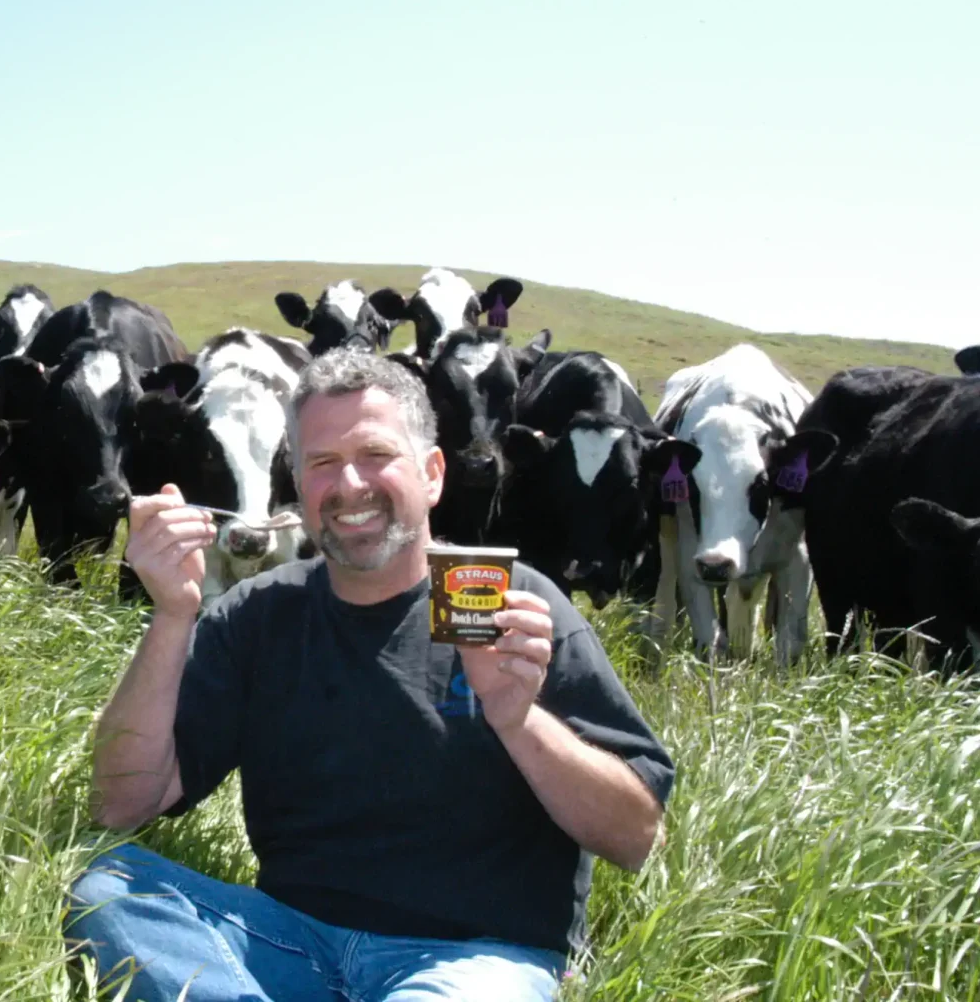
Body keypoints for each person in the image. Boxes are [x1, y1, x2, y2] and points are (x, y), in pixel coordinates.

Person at [65, 350, 675, 1001]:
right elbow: (120, 802)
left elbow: (636, 837)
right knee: (103, 884)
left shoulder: (516, 607)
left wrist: (517, 717)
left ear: (432, 473)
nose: (349, 484)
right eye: (322, 463)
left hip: (476, 961)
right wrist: (173, 613)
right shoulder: (261, 615)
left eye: (376, 454)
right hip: (287, 940)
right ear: (296, 483)